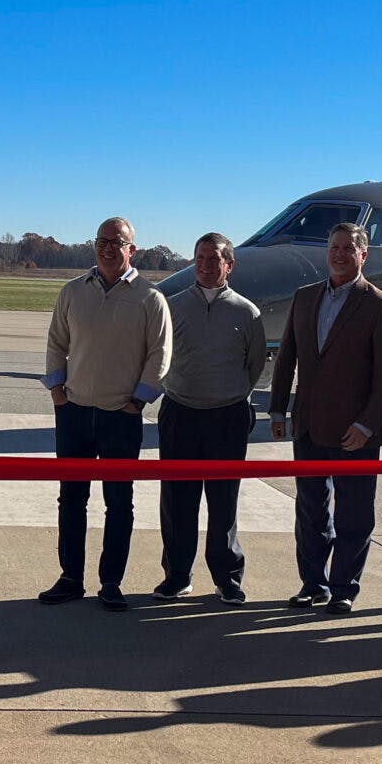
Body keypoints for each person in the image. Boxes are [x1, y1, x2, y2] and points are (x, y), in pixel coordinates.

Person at [38, 216, 173, 610]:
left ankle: (111, 581)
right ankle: (70, 577)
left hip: (122, 416)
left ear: (133, 249)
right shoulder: (72, 292)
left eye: (117, 242)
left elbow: (159, 354)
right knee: (71, 499)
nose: (108, 247)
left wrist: (139, 402)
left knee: (119, 502)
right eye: (101, 241)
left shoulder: (150, 298)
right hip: (74, 412)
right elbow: (55, 343)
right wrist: (58, 393)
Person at [267, 222, 382, 615]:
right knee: (310, 509)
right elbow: (287, 356)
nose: (339, 254)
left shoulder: (380, 305)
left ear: (363, 255)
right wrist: (278, 409)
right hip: (308, 424)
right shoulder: (305, 297)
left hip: (355, 432)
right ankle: (313, 583)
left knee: (354, 514)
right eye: (334, 247)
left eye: (348, 248)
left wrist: (366, 424)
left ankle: (344, 588)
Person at [157, 233, 269, 605]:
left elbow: (253, 366)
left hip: (227, 417)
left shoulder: (246, 312)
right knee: (177, 499)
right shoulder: (171, 307)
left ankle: (227, 577)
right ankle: (177, 574)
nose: (205, 265)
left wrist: (229, 394)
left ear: (229, 265)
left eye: (214, 259)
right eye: (200, 258)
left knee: (224, 501)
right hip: (180, 413)